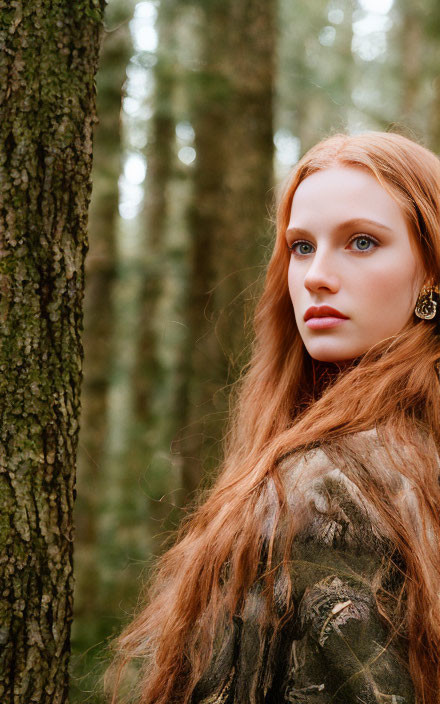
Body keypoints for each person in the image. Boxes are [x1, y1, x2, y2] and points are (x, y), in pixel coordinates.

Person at [107, 131, 440, 704]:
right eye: (302, 247)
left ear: (432, 271)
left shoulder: (329, 488)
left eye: (362, 242)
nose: (315, 276)